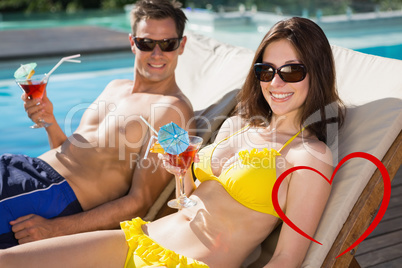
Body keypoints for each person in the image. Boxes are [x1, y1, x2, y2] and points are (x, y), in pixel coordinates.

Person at [0, 17, 345, 267]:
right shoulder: (238, 126)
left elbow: (287, 258)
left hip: (186, 263)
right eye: (266, 70)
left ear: (316, 73)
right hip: (139, 238)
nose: (276, 82)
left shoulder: (310, 156)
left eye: (292, 71)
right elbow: (192, 199)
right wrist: (181, 174)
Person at [0, 0, 195, 249]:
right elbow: (70, 152)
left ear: (182, 45)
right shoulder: (114, 87)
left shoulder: (171, 110)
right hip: (22, 167)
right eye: (146, 43)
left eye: (167, 44)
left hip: (47, 196)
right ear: (132, 43)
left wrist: (54, 230)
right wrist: (49, 121)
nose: (157, 54)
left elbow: (141, 200)